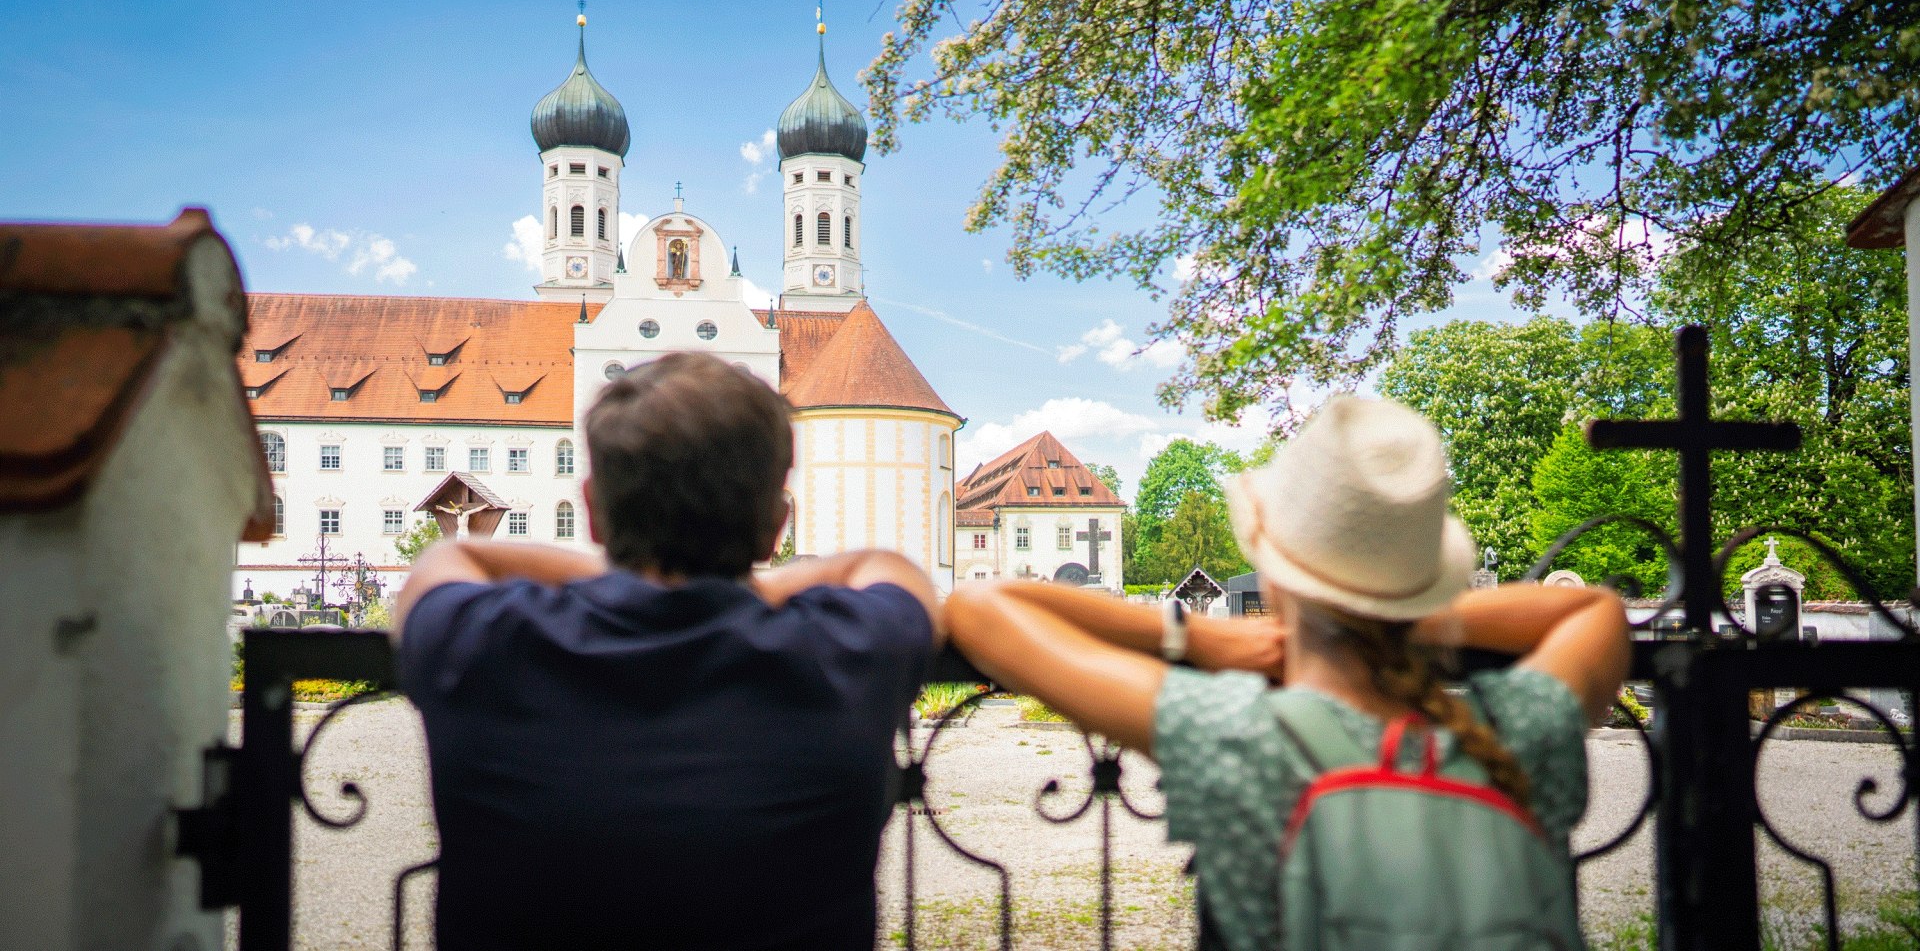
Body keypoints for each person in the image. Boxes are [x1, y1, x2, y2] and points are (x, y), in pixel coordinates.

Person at [946, 395, 1629, 950]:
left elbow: (982, 608)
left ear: (1275, 572)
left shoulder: (1237, 735)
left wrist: (1207, 639)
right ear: (1427, 583)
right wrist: (1404, 621)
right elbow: (1594, 613)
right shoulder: (1521, 729)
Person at [392, 352, 943, 950]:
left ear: (593, 512)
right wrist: (748, 583)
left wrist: (618, 572)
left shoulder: (484, 639)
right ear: (777, 526)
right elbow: (884, 566)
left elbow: (451, 558)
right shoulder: (845, 650)